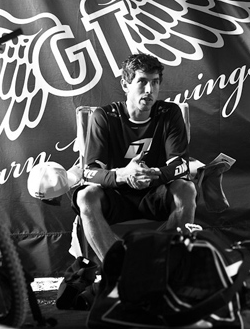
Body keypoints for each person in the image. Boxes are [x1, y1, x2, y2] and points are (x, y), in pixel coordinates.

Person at [72, 53, 197, 262]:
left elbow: (180, 166)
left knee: (186, 189)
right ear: (125, 84)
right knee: (86, 196)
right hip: (117, 195)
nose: (149, 90)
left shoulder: (169, 113)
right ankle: (119, 267)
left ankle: (167, 265)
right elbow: (90, 172)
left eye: (155, 82)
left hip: (155, 192)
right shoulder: (104, 116)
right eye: (142, 81)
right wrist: (123, 175)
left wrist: (151, 174)